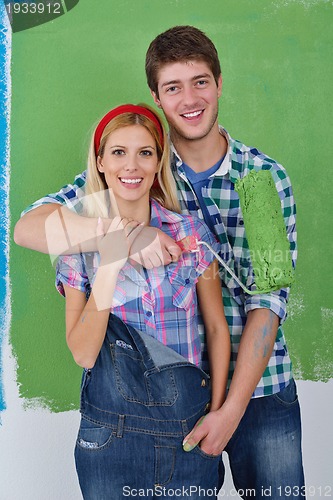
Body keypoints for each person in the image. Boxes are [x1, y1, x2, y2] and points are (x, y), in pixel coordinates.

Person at [14, 26, 305, 499]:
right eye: (173, 87)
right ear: (157, 96)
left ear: (219, 83)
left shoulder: (261, 178)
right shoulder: (139, 167)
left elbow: (268, 299)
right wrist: (125, 235)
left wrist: (228, 411)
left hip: (260, 390)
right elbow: (31, 227)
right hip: (162, 403)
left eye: (200, 82)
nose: (189, 99)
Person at [54, 103, 230, 498]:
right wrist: (111, 260)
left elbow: (217, 329)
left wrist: (217, 414)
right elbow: (83, 353)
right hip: (110, 441)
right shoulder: (78, 247)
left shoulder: (191, 234)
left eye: (144, 153)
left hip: (188, 432)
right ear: (100, 162)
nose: (131, 166)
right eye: (118, 152)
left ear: (158, 162)